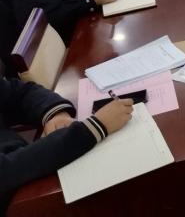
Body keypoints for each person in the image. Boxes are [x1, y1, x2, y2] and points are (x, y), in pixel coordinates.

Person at [0, 76, 133, 210]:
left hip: (33, 174)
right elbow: (8, 171)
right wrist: (94, 128)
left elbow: (18, 93)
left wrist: (55, 114)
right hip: (18, 199)